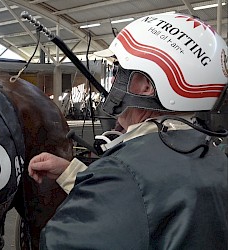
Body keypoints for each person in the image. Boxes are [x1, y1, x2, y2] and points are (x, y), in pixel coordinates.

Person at [28, 13, 228, 249]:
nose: (115, 84)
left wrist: (106, 177)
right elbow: (149, 205)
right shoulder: (215, 156)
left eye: (121, 73)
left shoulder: (123, 173)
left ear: (146, 85)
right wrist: (75, 173)